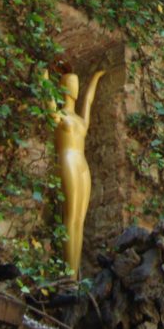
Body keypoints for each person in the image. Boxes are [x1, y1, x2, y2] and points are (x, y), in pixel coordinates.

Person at [48, 69, 105, 277]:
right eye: (71, 83)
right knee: (70, 215)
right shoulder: (59, 115)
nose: (75, 88)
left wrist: (96, 78)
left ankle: (74, 272)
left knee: (80, 218)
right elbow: (49, 102)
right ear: (63, 87)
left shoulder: (80, 119)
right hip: (68, 159)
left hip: (81, 163)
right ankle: (67, 275)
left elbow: (89, 101)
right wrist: (44, 75)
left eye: (77, 84)